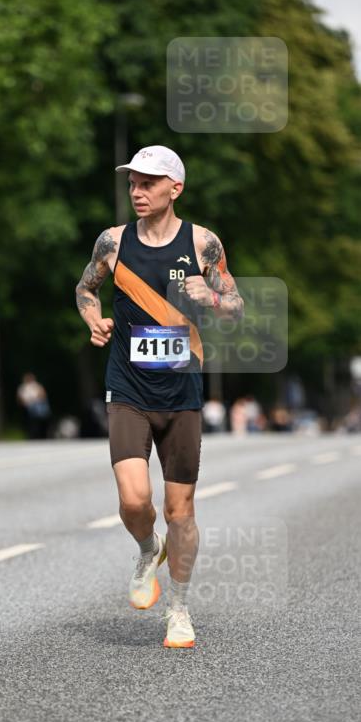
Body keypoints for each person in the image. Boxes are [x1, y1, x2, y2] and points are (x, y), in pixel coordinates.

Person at [75, 145, 243, 649]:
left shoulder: (203, 243)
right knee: (133, 499)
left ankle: (179, 609)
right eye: (132, 183)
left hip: (182, 389)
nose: (137, 191)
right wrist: (93, 319)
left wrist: (209, 296)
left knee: (180, 511)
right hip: (127, 384)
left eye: (148, 182)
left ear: (176, 188)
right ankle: (148, 549)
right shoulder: (113, 242)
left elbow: (234, 304)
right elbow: (86, 288)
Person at [17, 373, 51, 439]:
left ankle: (41, 435)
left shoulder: (37, 386)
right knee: (31, 422)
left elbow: (43, 395)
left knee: (40, 420)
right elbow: (20, 398)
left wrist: (35, 400)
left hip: (37, 406)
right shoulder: (23, 387)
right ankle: (32, 435)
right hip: (27, 407)